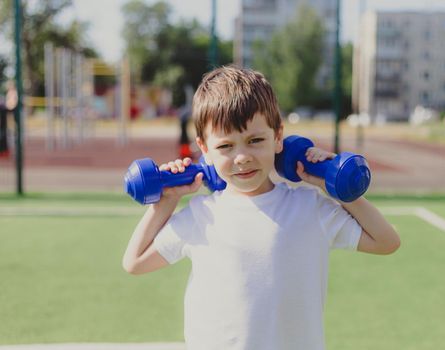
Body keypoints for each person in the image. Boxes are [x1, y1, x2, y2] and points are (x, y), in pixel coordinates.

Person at [122, 66, 400, 350]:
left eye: (255, 141)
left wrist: (336, 187)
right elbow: (135, 262)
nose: (242, 157)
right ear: (203, 148)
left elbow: (386, 241)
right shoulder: (201, 214)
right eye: (226, 146)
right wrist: (166, 202)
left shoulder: (309, 207)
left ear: (278, 136)